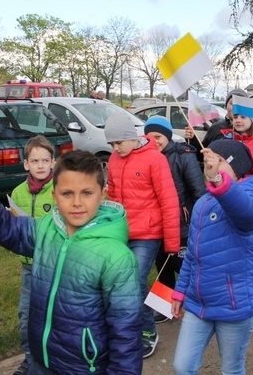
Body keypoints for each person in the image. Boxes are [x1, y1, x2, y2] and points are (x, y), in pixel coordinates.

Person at [0, 150, 143, 374]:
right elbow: (5, 227)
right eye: (67, 193)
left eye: (87, 193)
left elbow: (126, 334)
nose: (77, 202)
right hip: (41, 363)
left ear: (103, 194)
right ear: (54, 196)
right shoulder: (46, 229)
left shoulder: (117, 257)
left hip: (83, 369)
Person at [171, 140, 253, 375]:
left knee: (231, 369)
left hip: (233, 305)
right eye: (210, 160)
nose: (211, 164)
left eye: (219, 161)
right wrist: (181, 291)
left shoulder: (250, 193)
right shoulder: (202, 203)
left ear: (237, 167)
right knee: (182, 366)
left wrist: (219, 181)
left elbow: (248, 215)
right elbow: (192, 254)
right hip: (198, 303)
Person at [104, 112, 180, 358]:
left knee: (135, 281)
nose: (116, 149)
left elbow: (168, 200)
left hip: (148, 234)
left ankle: (147, 331)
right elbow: (113, 196)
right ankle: (125, 327)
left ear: (131, 137)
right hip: (122, 232)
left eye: (119, 143)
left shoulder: (155, 160)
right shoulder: (115, 160)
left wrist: (172, 242)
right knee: (118, 282)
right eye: (111, 145)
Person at [143, 116, 206, 323]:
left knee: (183, 265)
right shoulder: (146, 157)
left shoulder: (183, 155)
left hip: (182, 223)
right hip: (156, 224)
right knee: (162, 265)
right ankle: (165, 306)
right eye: (150, 137)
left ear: (168, 136)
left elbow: (199, 192)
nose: (155, 141)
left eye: (159, 136)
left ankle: (199, 300)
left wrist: (197, 222)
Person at [9, 135, 57, 375]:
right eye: (35, 160)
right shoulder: (18, 192)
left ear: (53, 163)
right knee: (26, 315)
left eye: (45, 160)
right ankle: (29, 359)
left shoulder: (59, 190)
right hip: (29, 268)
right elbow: (14, 229)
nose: (40, 165)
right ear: (26, 164)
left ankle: (56, 358)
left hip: (55, 267)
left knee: (55, 316)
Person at [217, 100, 253, 283]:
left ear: (252, 119)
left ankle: (252, 290)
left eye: (243, 117)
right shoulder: (225, 140)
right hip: (230, 202)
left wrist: (247, 153)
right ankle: (235, 288)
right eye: (235, 117)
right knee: (232, 250)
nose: (238, 120)